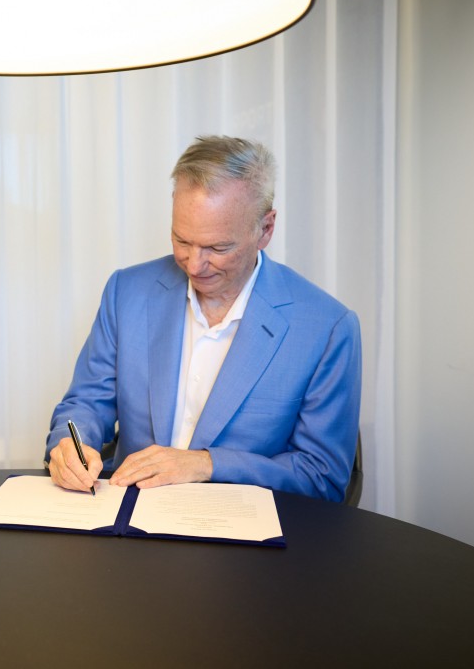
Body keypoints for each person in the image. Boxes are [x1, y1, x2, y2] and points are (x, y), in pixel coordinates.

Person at [46, 136, 361, 502]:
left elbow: (321, 477)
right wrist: (70, 442)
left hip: (243, 530)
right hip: (129, 520)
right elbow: (85, 402)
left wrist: (207, 464)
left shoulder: (327, 329)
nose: (195, 265)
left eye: (217, 247)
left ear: (265, 229)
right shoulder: (126, 292)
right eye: (182, 241)